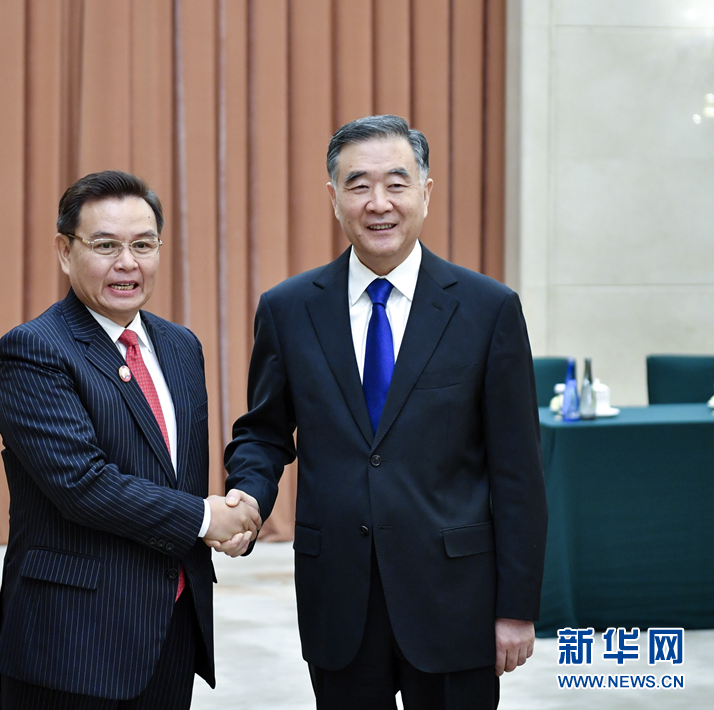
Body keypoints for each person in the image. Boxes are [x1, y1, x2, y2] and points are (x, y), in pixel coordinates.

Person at [221, 115, 548, 709]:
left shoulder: (488, 309)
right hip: (338, 598)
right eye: (359, 185)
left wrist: (517, 608)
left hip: (456, 599)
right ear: (333, 197)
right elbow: (264, 433)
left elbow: (518, 470)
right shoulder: (289, 309)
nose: (379, 203)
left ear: (425, 192)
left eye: (397, 184)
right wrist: (247, 496)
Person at [0, 170, 261, 710]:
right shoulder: (34, 350)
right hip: (71, 640)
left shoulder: (180, 346)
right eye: (106, 245)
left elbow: (177, 474)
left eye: (143, 244)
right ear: (65, 251)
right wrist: (205, 519)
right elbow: (82, 484)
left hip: (171, 627)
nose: (127, 263)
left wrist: (234, 516)